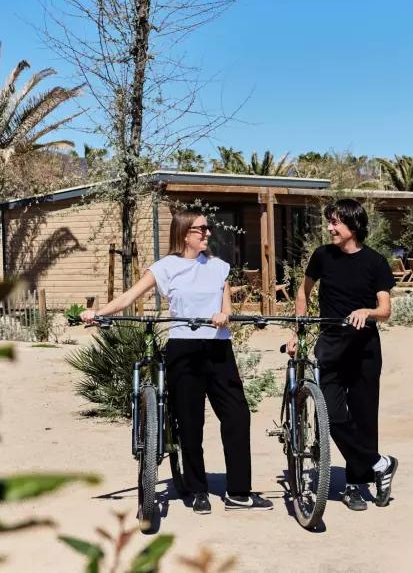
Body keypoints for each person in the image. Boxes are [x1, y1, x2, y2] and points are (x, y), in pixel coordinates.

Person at [81, 208, 273, 515]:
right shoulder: (165, 267)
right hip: (184, 349)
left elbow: (226, 311)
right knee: (190, 423)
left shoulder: (219, 267)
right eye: (201, 229)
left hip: (219, 349)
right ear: (184, 234)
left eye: (208, 228)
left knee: (238, 416)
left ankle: (239, 492)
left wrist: (224, 316)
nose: (208, 233)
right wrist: (97, 314)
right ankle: (198, 490)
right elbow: (129, 297)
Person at [287, 198, 398, 510]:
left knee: (364, 419)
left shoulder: (375, 262)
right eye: (329, 222)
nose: (329, 228)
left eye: (335, 222)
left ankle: (354, 486)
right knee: (332, 414)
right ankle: (380, 464)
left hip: (364, 348)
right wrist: (299, 332)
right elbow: (303, 292)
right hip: (330, 344)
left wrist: (367, 311)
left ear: (353, 225)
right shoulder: (322, 255)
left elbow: (385, 310)